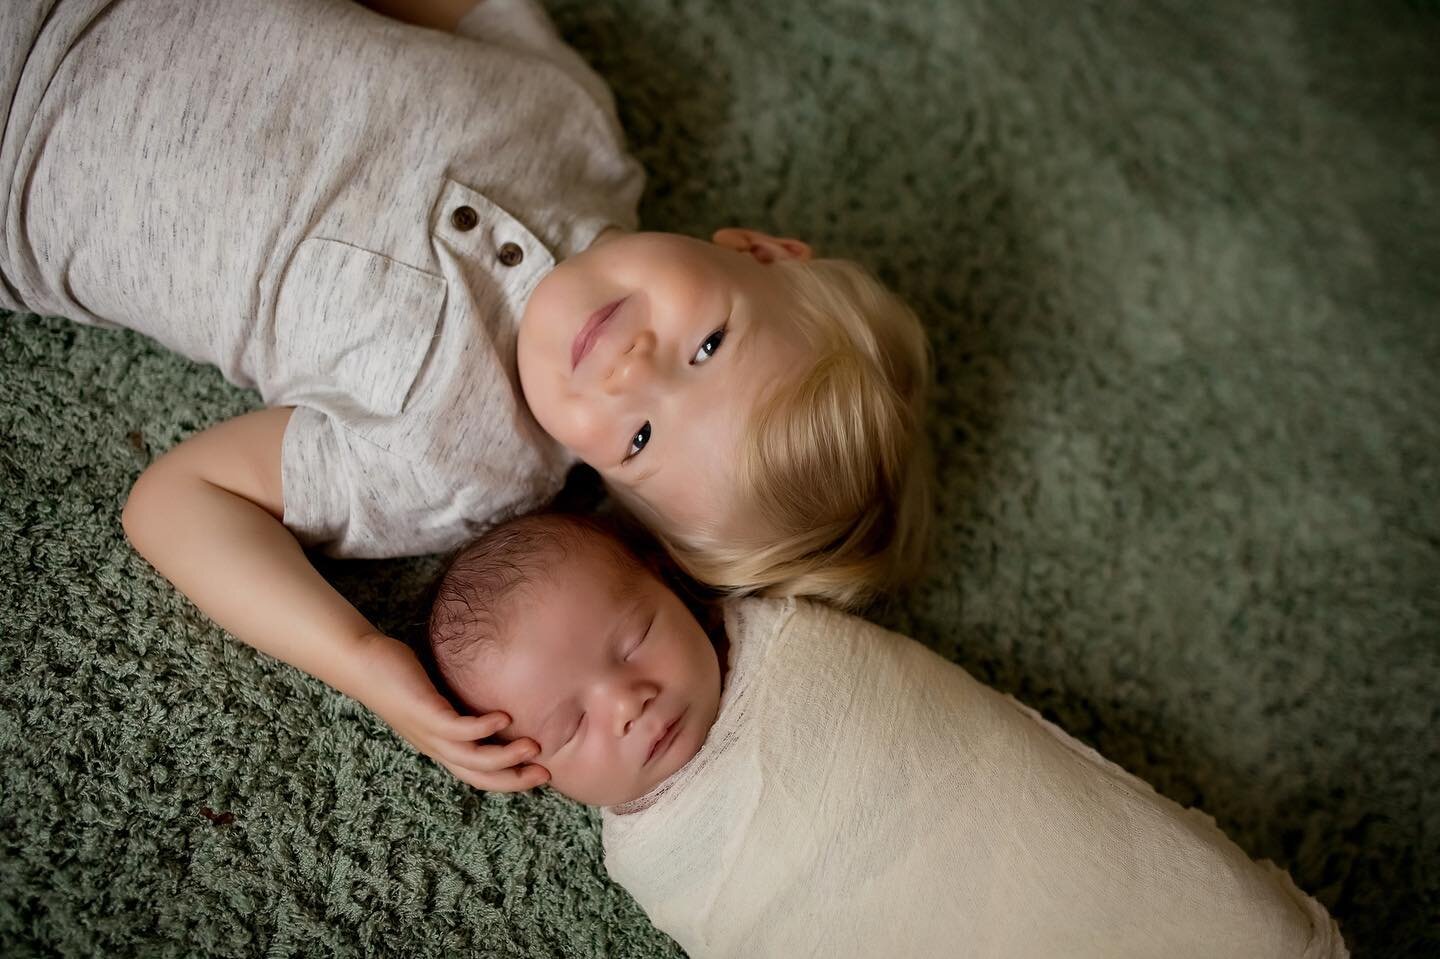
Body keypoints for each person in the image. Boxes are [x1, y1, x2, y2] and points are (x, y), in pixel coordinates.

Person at [0, 0, 930, 791]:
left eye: (640, 437)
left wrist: (366, 663)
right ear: (762, 249)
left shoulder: (450, 463)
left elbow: (175, 503)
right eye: (709, 344)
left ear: (613, 495)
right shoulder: (582, 132)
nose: (629, 368)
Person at [429, 512, 1349, 959]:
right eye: (572, 722)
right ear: (528, 765)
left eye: (633, 639)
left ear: (672, 585)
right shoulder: (659, 862)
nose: (626, 698)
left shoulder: (790, 645)